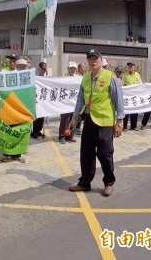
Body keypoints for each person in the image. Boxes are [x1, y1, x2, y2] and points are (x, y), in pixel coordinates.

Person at [69, 48, 124, 197]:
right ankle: (84, 182)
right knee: (86, 153)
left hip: (105, 122)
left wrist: (119, 122)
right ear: (87, 61)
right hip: (89, 121)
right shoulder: (86, 78)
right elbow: (80, 99)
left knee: (105, 153)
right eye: (90, 59)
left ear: (101, 60)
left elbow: (118, 99)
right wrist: (74, 117)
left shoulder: (109, 77)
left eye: (96, 59)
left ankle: (108, 183)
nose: (93, 61)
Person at [58, 62, 78, 144]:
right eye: (71, 68)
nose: (72, 70)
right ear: (67, 68)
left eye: (74, 68)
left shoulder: (78, 78)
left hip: (74, 102)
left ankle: (70, 136)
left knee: (73, 119)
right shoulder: (63, 77)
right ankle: (62, 136)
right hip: (65, 103)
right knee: (65, 119)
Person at [122, 61, 142, 131]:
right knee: (127, 111)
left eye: (131, 66)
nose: (130, 67)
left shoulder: (137, 74)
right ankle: (124, 126)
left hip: (135, 96)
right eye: (129, 66)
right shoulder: (125, 75)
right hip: (127, 97)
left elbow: (140, 84)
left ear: (134, 67)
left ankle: (134, 126)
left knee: (135, 111)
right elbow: (123, 85)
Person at [31, 62, 47, 139]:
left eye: (44, 70)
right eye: (42, 69)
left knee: (42, 116)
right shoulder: (35, 77)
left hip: (43, 99)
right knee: (36, 116)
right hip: (36, 99)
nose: (43, 71)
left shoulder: (46, 78)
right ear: (39, 69)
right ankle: (33, 131)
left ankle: (38, 130)